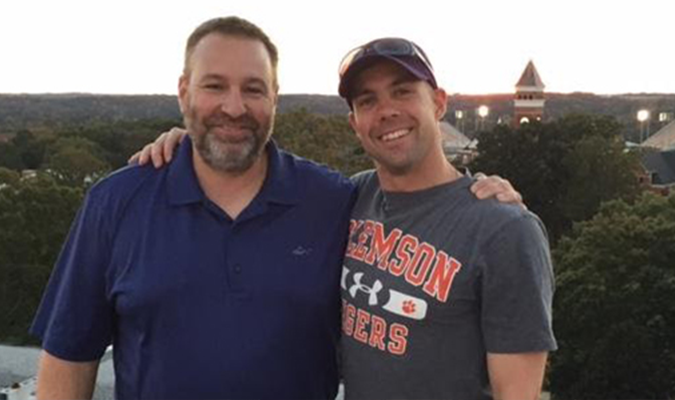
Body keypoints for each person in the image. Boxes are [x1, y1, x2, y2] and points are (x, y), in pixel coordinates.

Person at [132, 37, 555, 400]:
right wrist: (193, 143)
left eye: (403, 91)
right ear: (355, 123)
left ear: (439, 102)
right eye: (368, 100)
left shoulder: (503, 230)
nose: (386, 110)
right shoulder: (349, 198)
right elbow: (252, 176)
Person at [31, 16, 355, 400]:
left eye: (253, 89)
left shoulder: (334, 201)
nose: (234, 108)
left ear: (274, 98)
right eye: (214, 86)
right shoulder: (114, 203)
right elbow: (69, 358)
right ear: (184, 92)